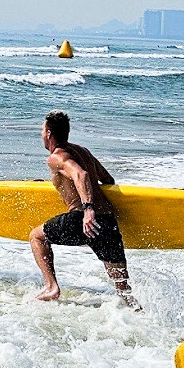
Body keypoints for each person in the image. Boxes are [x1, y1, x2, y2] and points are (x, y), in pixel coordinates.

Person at [28, 111, 134, 304]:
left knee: (37, 236)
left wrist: (88, 209)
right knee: (124, 289)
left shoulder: (56, 158)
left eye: (42, 131)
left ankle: (51, 287)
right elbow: (107, 180)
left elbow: (81, 175)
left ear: (49, 134)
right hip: (107, 222)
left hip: (82, 220)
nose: (41, 135)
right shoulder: (83, 151)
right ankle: (137, 314)